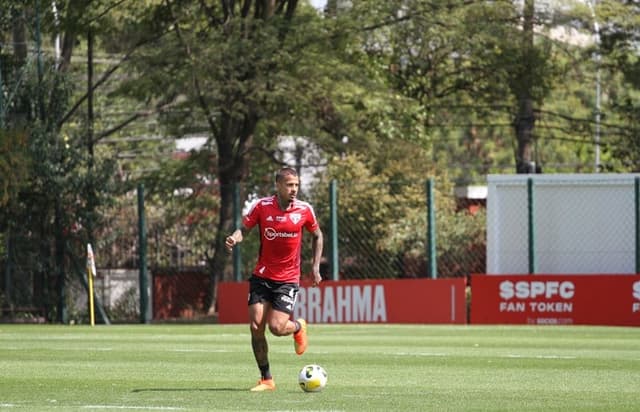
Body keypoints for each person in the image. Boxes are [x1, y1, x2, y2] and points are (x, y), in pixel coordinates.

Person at [225, 167, 324, 392]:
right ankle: (266, 379)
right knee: (255, 326)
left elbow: (317, 235)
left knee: (277, 328)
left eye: (296, 185)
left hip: (288, 279)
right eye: (289, 185)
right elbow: (244, 229)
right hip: (262, 276)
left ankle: (298, 327)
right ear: (278, 186)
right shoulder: (262, 206)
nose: (294, 189)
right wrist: (234, 237)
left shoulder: (304, 210)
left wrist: (315, 267)